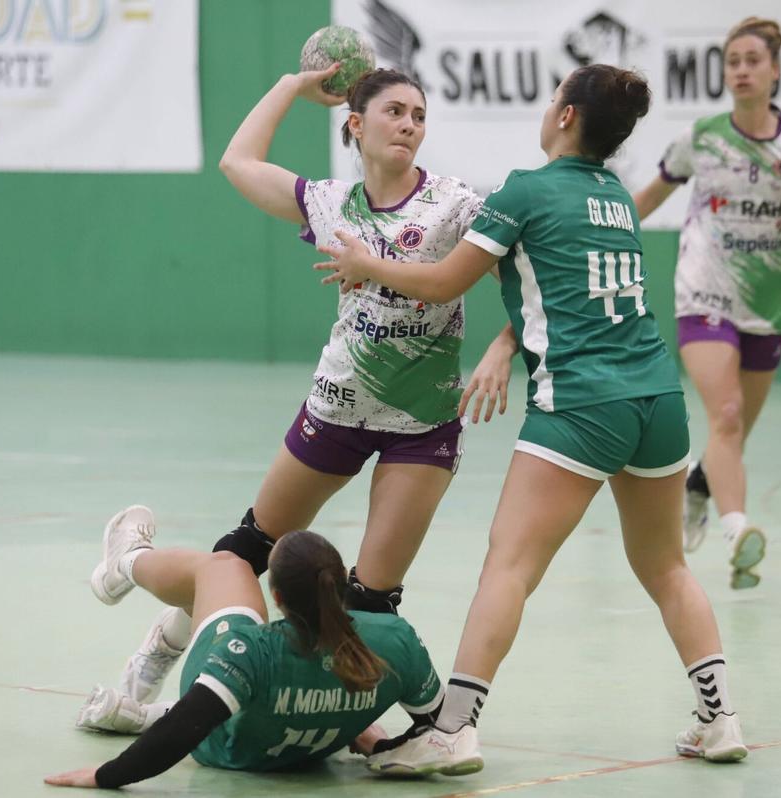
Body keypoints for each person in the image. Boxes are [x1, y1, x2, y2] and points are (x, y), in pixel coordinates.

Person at [316, 63, 748, 775]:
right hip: (658, 399)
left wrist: (370, 264)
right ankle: (720, 718)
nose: (548, 108)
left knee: (509, 564)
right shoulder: (615, 197)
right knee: (667, 566)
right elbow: (559, 289)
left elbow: (443, 281)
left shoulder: (526, 189)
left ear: (567, 116)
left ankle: (452, 728)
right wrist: (504, 344)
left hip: (582, 403)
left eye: (554, 99)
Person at [101, 64, 509, 710]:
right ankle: (152, 629)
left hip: (423, 423)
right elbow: (238, 163)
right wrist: (291, 85)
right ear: (356, 124)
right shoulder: (332, 203)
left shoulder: (454, 206)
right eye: (395, 111)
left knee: (372, 604)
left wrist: (506, 345)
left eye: (419, 116)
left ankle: (346, 719)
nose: (409, 124)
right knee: (244, 556)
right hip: (338, 407)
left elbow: (530, 281)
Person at [45, 506, 456, 788]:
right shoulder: (394, 639)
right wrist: (377, 746)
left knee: (226, 566)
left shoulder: (252, 649)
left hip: (226, 749)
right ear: (341, 585)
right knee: (242, 686)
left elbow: (185, 729)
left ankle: (127, 561)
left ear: (276, 597)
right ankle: (148, 706)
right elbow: (441, 729)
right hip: (309, 752)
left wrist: (105, 776)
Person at [632, 17, 781, 588]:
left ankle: (697, 485)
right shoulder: (703, 137)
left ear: (775, 70)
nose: (742, 71)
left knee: (734, 432)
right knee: (725, 414)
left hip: (771, 300)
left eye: (752, 61)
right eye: (733, 62)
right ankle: (737, 530)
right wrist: (602, 227)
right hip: (705, 290)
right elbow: (650, 196)